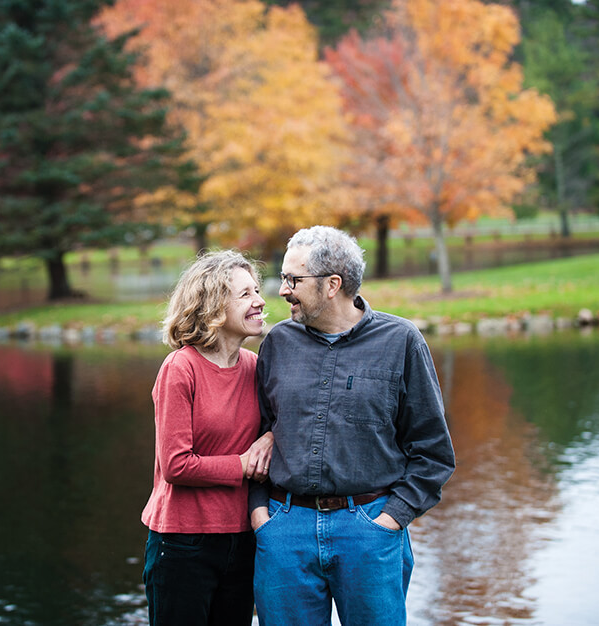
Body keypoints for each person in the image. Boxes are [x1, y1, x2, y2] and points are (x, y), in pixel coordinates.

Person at [249, 226, 455, 625]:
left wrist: (390, 519)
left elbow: (433, 452)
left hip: (369, 530)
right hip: (284, 531)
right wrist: (261, 515)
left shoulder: (402, 341)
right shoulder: (276, 344)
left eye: (293, 279)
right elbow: (257, 433)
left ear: (332, 285)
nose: (282, 289)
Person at [141, 250, 274, 626]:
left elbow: (280, 422)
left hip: (243, 537)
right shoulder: (180, 368)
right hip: (183, 543)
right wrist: (243, 466)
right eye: (245, 294)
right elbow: (175, 465)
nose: (260, 301)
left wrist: (271, 438)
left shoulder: (254, 366)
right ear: (214, 305)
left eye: (257, 291)